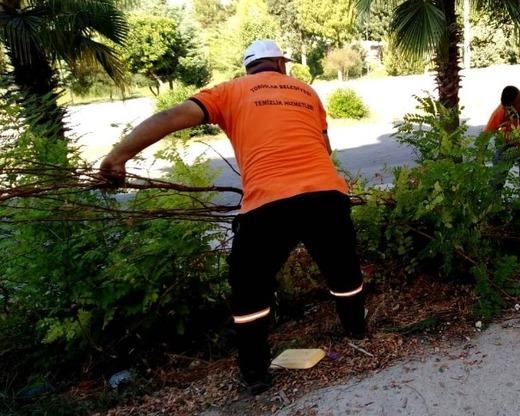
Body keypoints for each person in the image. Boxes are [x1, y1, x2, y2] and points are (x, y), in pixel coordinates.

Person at [99, 40, 366, 395]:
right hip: (326, 194)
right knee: (342, 269)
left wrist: (118, 156)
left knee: (250, 289)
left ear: (249, 68)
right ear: (279, 64)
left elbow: (170, 118)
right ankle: (357, 332)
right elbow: (324, 148)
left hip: (268, 203)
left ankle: (255, 373)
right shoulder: (306, 91)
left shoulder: (229, 91)